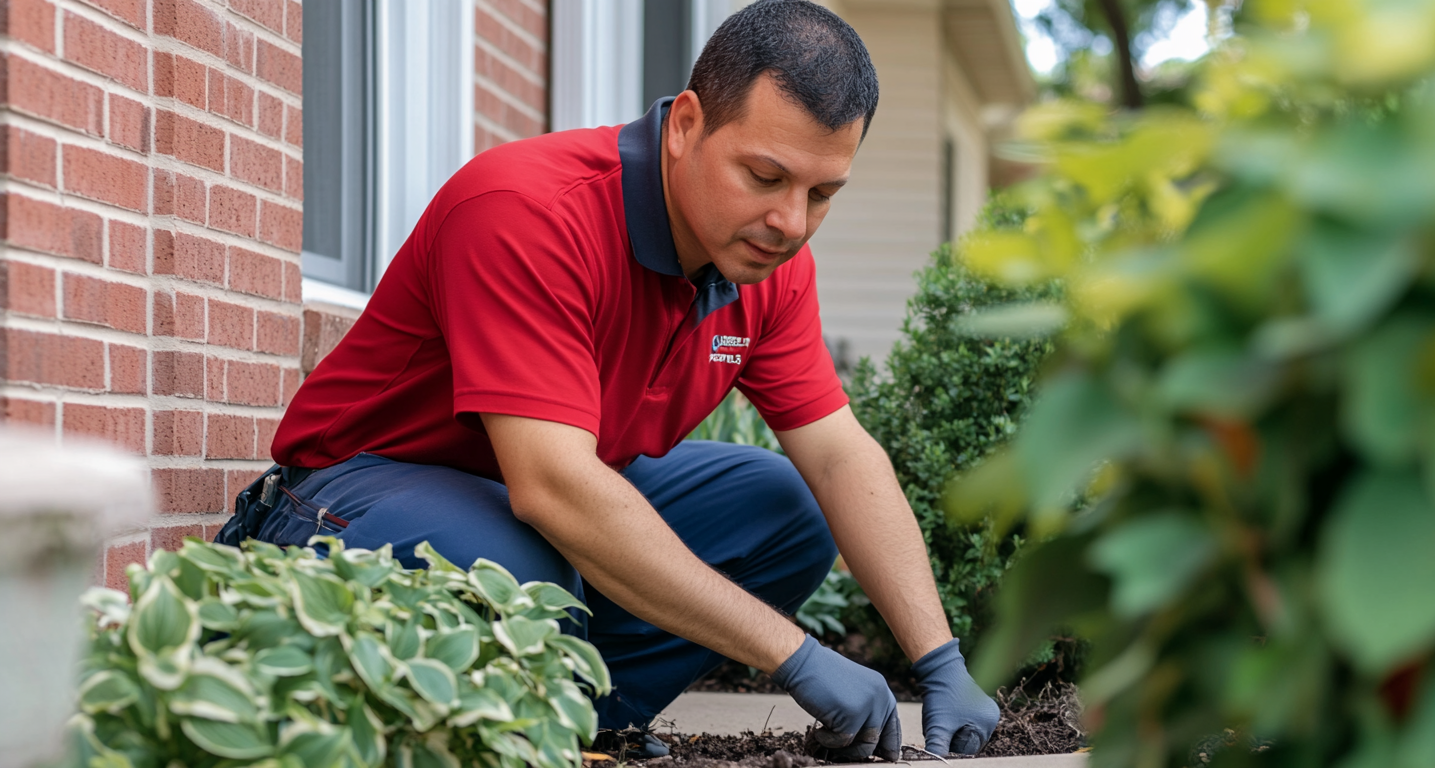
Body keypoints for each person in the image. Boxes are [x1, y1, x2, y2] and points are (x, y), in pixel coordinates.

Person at [225, 0, 998, 760]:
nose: (791, 222)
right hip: (349, 500)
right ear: (688, 126)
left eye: (822, 194)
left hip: (522, 514)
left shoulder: (766, 265)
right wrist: (794, 655)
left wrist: (939, 661)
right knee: (527, 569)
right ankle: (525, 717)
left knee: (783, 509)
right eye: (765, 176)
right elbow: (553, 487)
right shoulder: (528, 211)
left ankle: (579, 723)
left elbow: (838, 456)